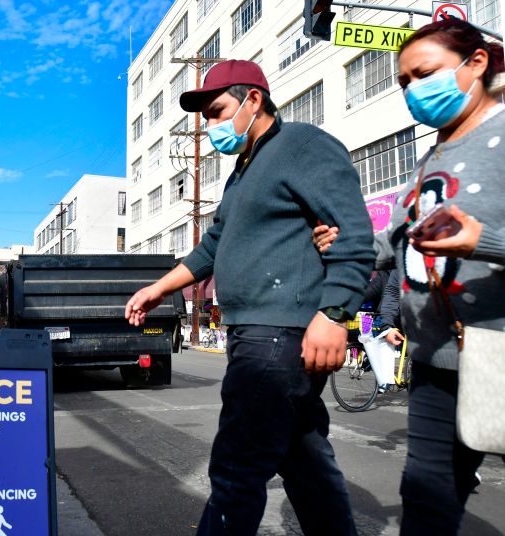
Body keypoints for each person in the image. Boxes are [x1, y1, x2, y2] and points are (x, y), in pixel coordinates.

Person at [125, 59, 375, 535]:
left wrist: (335, 313)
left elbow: (353, 235)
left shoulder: (302, 145)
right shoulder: (242, 171)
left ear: (253, 100)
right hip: (254, 334)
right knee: (304, 462)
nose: (213, 127)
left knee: (237, 468)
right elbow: (214, 245)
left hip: (278, 334)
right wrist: (158, 288)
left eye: (219, 112)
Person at [313, 19, 505, 535]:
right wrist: (344, 244)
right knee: (426, 497)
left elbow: (476, 237)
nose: (413, 91)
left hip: (499, 353)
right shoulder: (432, 156)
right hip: (437, 360)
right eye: (404, 83)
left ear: (478, 63)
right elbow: (395, 243)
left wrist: (481, 240)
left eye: (425, 74)